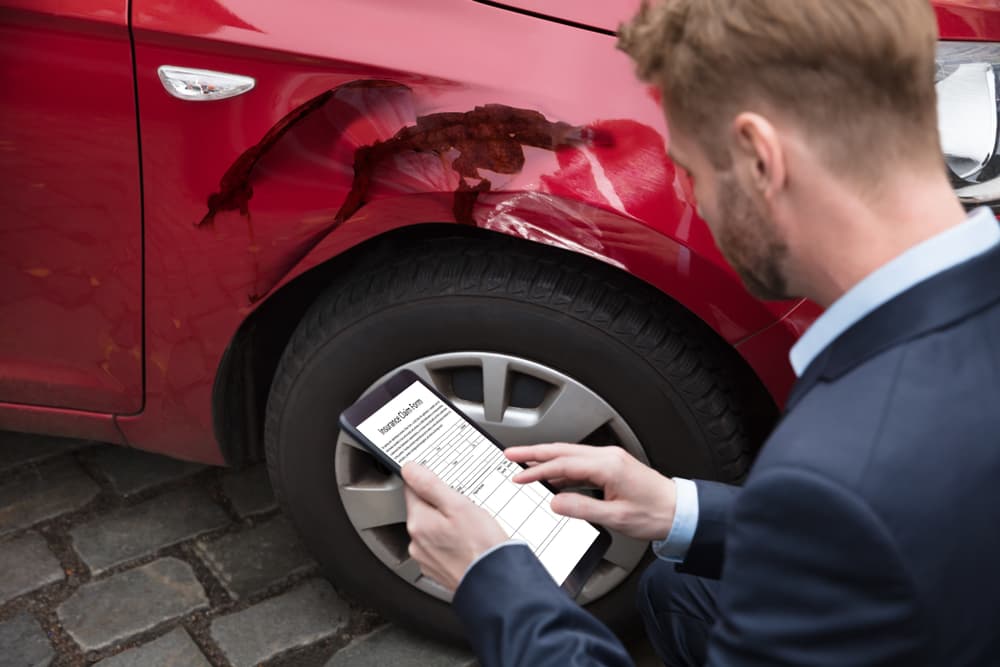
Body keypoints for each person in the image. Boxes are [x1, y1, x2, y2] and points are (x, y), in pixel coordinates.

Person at [401, 0, 1000, 664]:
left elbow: (860, 515)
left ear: (759, 158)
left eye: (691, 168)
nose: (699, 203)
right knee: (677, 585)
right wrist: (679, 508)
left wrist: (495, 583)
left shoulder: (838, 466)